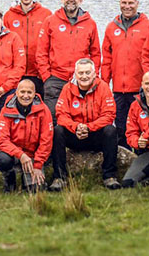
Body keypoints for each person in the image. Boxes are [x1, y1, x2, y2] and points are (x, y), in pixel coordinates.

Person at [50, 59, 120, 190]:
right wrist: (76, 127)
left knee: (111, 130)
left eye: (87, 72)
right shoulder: (67, 89)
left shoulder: (103, 87)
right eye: (81, 73)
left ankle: (109, 176)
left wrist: (89, 127)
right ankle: (59, 177)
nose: (84, 76)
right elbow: (61, 115)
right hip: (75, 135)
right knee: (57, 130)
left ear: (94, 73)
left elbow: (109, 115)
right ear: (75, 74)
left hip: (95, 135)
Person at [36, 0, 101, 117]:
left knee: (81, 117)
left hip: (81, 79)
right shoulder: (51, 21)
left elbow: (95, 53)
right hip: (56, 79)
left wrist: (93, 75)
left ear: (81, 0)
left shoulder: (90, 23)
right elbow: (41, 52)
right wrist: (47, 77)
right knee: (53, 118)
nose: (71, 0)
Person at [101, 0, 149, 146]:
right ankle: (123, 161)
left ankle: (141, 161)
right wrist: (105, 84)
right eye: (124, 3)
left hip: (140, 89)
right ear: (119, 3)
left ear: (137, 4)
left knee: (141, 127)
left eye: (131, 3)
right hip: (118, 89)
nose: (127, 6)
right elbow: (107, 58)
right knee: (120, 127)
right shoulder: (112, 27)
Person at [0, 79, 53, 192]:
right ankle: (10, 180)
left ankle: (26, 177)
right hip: (13, 154)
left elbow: (46, 140)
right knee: (2, 159)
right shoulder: (7, 109)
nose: (25, 96)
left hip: (32, 156)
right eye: (22, 92)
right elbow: (1, 140)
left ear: (35, 94)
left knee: (36, 190)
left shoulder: (44, 110)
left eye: (29, 92)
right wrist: (21, 155)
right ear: (16, 92)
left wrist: (38, 165)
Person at [3, 0, 52, 95]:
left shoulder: (46, 14)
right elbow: (4, 44)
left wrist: (46, 72)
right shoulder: (9, 16)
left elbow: (52, 44)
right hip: (16, 73)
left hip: (38, 72)